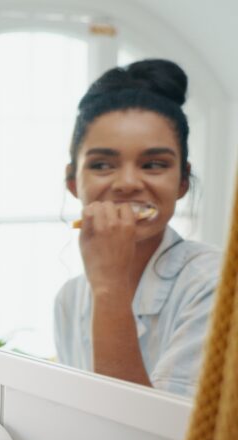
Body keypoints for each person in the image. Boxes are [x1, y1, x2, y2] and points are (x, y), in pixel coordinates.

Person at [54, 59, 222, 397]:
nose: (128, 183)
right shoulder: (69, 299)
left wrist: (110, 288)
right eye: (102, 165)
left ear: (182, 182)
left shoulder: (216, 286)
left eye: (153, 164)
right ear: (73, 182)